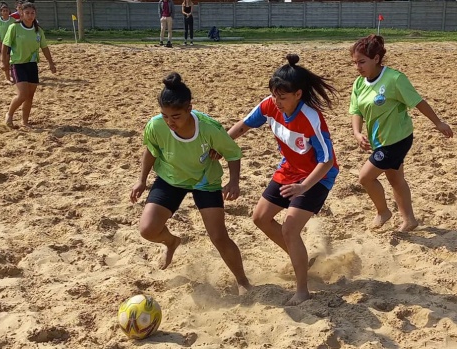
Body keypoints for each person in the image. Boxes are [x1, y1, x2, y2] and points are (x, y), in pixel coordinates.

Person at [226, 54, 339, 306]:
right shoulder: (269, 105)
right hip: (289, 169)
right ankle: (299, 256)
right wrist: (220, 146)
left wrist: (303, 186)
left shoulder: (311, 117)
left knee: (289, 229)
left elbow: (327, 160)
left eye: (282, 97)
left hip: (316, 177)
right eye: (274, 95)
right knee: (259, 218)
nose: (276, 101)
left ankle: (302, 290)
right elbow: (242, 126)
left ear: (298, 94)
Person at [130, 72, 251, 295]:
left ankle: (242, 280)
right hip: (170, 178)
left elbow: (233, 154)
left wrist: (234, 182)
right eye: (164, 116)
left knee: (219, 237)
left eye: (175, 116)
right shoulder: (156, 126)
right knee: (147, 230)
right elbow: (151, 151)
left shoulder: (209, 128)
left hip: (204, 181)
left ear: (189, 108)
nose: (169, 122)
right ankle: (171, 242)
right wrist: (141, 180)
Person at [348, 34, 453, 232]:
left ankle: (383, 212)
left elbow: (418, 102)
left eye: (362, 62)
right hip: (380, 140)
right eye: (354, 63)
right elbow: (356, 111)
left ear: (376, 59)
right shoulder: (359, 84)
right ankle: (409, 220)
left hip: (397, 139)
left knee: (365, 178)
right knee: (396, 179)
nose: (358, 67)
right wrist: (357, 133)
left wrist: (438, 123)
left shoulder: (394, 79)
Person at [1, 2, 56, 129]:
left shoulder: (38, 30)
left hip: (32, 64)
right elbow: (5, 45)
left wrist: (51, 63)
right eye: (27, 13)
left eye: (32, 13)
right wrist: (3, 61)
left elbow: (45, 47)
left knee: (30, 96)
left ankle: (25, 122)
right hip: (18, 64)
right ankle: (9, 114)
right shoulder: (14, 28)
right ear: (22, 13)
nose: (30, 15)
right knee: (22, 94)